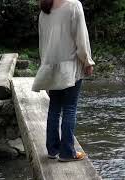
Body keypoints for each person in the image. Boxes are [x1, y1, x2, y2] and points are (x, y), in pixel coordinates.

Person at [32, 0, 95, 162]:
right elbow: (81, 38)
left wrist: (45, 65)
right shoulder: (74, 5)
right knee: (70, 108)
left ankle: (53, 150)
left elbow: (42, 44)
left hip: (51, 66)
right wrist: (88, 61)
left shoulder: (44, 10)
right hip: (70, 67)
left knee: (54, 108)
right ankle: (67, 153)